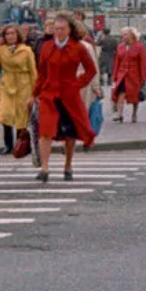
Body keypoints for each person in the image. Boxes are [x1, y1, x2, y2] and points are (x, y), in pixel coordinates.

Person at [32, 13, 97, 183]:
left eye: (62, 29)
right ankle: (44, 169)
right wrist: (34, 94)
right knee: (45, 131)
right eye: (56, 29)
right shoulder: (46, 47)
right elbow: (41, 73)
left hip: (69, 96)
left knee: (70, 133)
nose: (59, 32)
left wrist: (77, 84)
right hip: (49, 95)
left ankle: (68, 165)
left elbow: (91, 71)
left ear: (70, 30)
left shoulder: (78, 47)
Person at [0, 24, 36, 155]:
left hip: (24, 85)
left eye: (13, 33)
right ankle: (8, 144)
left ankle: (20, 144)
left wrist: (35, 91)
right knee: (5, 115)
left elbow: (33, 71)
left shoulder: (26, 50)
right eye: (7, 34)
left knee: (21, 116)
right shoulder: (1, 50)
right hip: (7, 84)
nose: (10, 36)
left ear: (17, 35)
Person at [112, 28, 146, 123]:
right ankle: (119, 114)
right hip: (122, 75)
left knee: (135, 96)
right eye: (122, 34)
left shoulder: (139, 47)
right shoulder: (120, 47)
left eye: (125, 34)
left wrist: (143, 77)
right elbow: (117, 62)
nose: (123, 37)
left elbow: (143, 63)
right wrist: (114, 75)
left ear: (131, 35)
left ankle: (134, 113)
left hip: (134, 75)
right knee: (120, 94)